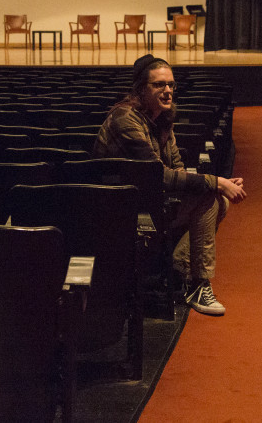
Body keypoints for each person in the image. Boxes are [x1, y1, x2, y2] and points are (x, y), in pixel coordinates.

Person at [93, 54, 247, 316]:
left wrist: (215, 184)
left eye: (171, 85)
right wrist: (215, 182)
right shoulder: (125, 118)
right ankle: (197, 282)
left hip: (149, 200)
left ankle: (181, 269)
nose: (167, 91)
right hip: (120, 208)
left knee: (216, 199)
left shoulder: (163, 120)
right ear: (142, 89)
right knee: (211, 196)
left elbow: (175, 169)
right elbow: (158, 175)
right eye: (159, 85)